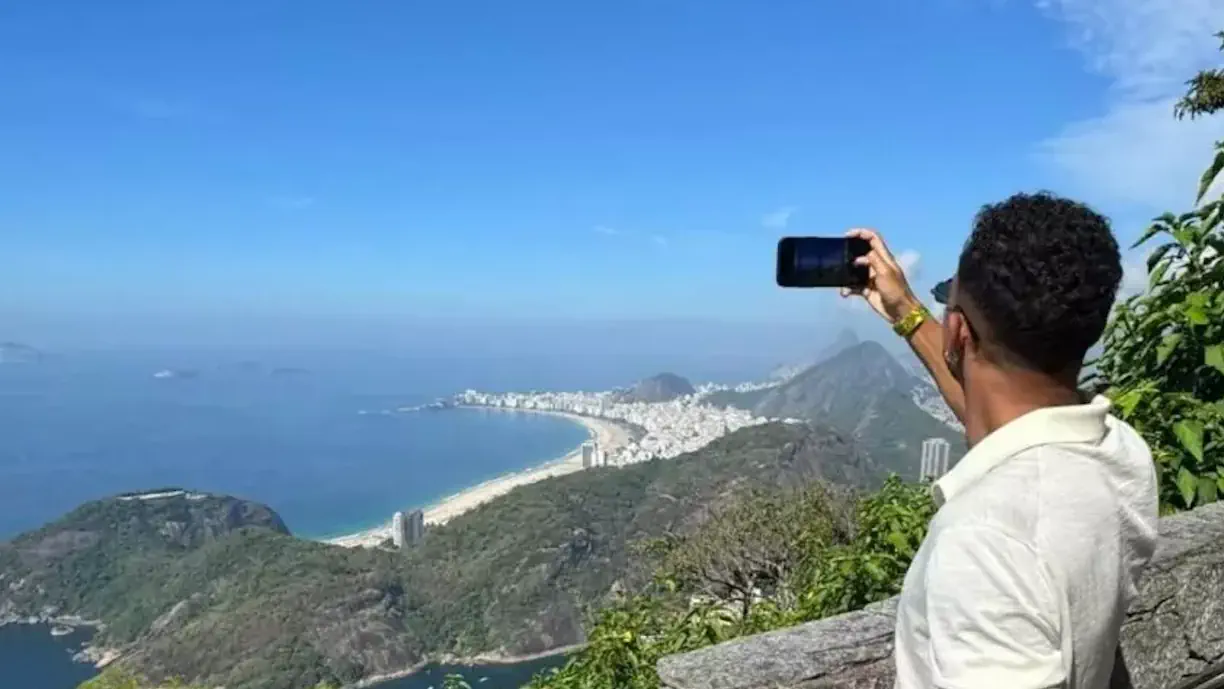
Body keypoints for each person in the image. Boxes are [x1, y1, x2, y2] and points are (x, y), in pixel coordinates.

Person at [842, 192, 1160, 689]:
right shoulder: (1121, 453)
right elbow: (1005, 415)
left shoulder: (986, 543)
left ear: (957, 332)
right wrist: (905, 311)